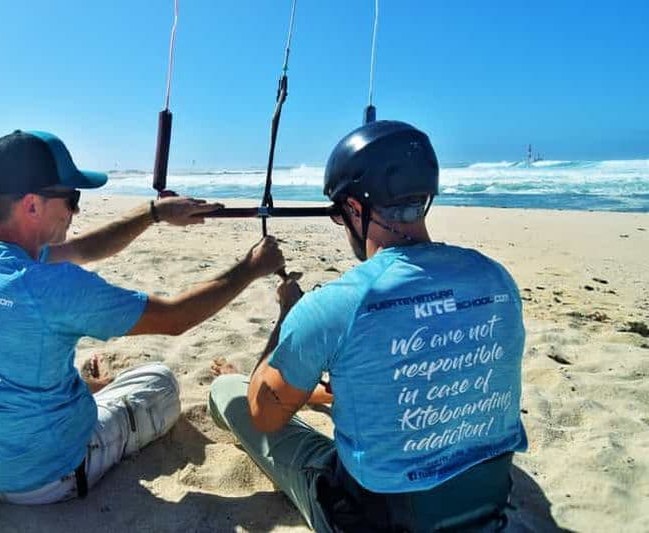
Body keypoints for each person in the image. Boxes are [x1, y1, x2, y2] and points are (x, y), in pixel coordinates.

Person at [0, 129, 285, 504]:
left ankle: (74, 394)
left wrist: (154, 214)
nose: (76, 210)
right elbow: (175, 318)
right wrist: (251, 268)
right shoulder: (53, 286)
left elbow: (84, 248)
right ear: (32, 205)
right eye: (71, 198)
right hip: (44, 476)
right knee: (160, 381)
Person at [209, 120, 528, 532]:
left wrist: (289, 312)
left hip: (374, 518)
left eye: (341, 216)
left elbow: (263, 415)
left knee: (230, 392)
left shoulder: (336, 304)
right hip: (484, 504)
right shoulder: (496, 279)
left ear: (356, 209)